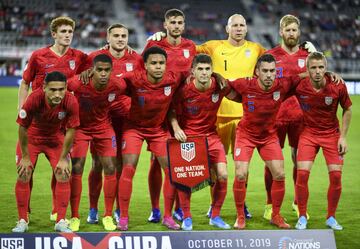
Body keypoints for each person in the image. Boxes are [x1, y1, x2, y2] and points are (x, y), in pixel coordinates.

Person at [17, 16, 87, 221]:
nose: (67, 35)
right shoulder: (39, 56)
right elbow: (24, 83)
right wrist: (22, 109)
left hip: (62, 123)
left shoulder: (79, 57)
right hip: (37, 119)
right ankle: (25, 212)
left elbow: (103, 60)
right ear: (54, 34)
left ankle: (58, 211)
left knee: (62, 169)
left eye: (70, 32)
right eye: (63, 31)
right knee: (26, 169)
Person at [196, 13, 266, 219]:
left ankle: (241, 204)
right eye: (234, 25)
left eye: (242, 25)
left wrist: (308, 49)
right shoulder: (213, 46)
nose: (238, 28)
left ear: (246, 28)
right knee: (214, 166)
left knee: (242, 166)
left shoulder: (256, 49)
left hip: (244, 116)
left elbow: (280, 58)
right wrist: (159, 37)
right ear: (227, 29)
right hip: (216, 116)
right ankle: (213, 203)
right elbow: (183, 48)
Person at [228, 54, 309, 229]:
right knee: (241, 174)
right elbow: (224, 85)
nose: (269, 75)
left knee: (279, 174)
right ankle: (240, 216)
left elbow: (303, 75)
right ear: (257, 72)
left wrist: (331, 74)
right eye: (265, 71)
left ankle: (276, 215)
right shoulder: (245, 84)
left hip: (268, 136)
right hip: (246, 135)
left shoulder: (282, 84)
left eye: (272, 71)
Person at [117, 46, 187, 231]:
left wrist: (218, 77)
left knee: (171, 172)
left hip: (157, 130)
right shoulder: (133, 79)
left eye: (161, 63)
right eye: (154, 63)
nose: (158, 67)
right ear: (145, 65)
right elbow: (111, 83)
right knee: (129, 169)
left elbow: (198, 72)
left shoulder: (173, 78)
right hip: (134, 129)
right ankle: (123, 217)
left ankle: (167, 216)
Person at [81, 23, 143, 225]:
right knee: (98, 164)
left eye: (124, 35)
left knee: (119, 166)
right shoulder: (93, 58)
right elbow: (82, 84)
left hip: (125, 119)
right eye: (116, 35)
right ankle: (93, 209)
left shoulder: (136, 58)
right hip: (100, 119)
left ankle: (118, 210)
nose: (120, 39)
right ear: (108, 38)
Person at [144, 8, 197, 223]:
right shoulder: (154, 44)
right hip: (160, 109)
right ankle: (156, 209)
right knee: (157, 161)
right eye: (172, 22)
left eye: (180, 22)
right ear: (165, 25)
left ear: (184, 25)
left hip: (185, 110)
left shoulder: (191, 47)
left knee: (185, 161)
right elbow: (142, 71)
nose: (176, 25)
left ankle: (178, 208)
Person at [169, 54, 231, 230]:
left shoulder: (219, 87)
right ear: (193, 71)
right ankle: (186, 217)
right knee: (186, 178)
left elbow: (239, 94)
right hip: (189, 137)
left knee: (223, 175)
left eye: (207, 69)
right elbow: (171, 111)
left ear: (212, 71)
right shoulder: (183, 91)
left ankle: (215, 215)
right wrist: (176, 128)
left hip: (211, 137)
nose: (204, 73)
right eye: (200, 69)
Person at [13, 71, 79, 233]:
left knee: (64, 173)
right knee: (24, 172)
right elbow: (22, 128)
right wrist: (26, 157)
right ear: (44, 88)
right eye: (53, 90)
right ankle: (22, 220)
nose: (57, 94)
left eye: (61, 89)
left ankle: (61, 221)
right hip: (32, 138)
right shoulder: (34, 99)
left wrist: (64, 158)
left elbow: (71, 130)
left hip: (55, 139)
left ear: (66, 88)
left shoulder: (71, 101)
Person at [264, 14, 315, 220]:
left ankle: (297, 202)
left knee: (299, 161)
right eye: (288, 30)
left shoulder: (308, 55)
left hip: (302, 117)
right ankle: (269, 205)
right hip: (275, 117)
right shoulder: (271, 56)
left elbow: (319, 77)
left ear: (299, 32)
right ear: (281, 32)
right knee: (273, 163)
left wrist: (316, 52)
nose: (291, 34)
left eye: (295, 30)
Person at [67, 54, 126, 232]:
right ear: (92, 70)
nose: (102, 73)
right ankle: (75, 216)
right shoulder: (77, 83)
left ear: (111, 71)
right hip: (81, 129)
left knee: (110, 167)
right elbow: (61, 89)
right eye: (99, 70)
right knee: (77, 167)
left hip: (103, 128)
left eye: (106, 70)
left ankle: (108, 215)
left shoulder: (118, 85)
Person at [294, 52, 352, 230]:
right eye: (313, 68)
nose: (318, 71)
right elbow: (284, 82)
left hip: (331, 135)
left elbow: (348, 109)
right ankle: (302, 216)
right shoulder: (299, 85)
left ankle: (331, 217)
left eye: (321, 67)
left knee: (336, 176)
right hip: (308, 134)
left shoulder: (337, 86)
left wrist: (343, 136)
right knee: (302, 174)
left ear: (326, 69)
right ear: (307, 70)